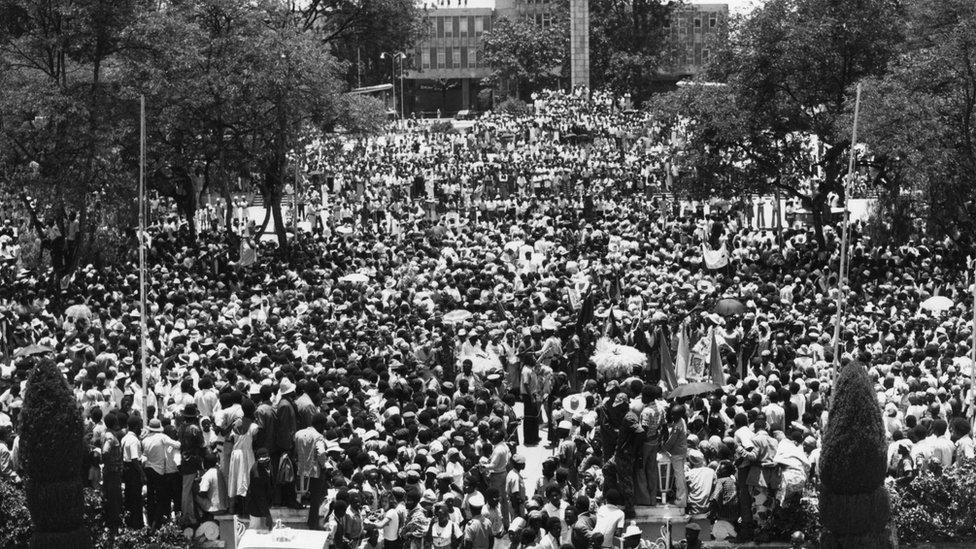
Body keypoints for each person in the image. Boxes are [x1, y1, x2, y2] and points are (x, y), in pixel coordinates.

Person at [142, 418, 181, 528]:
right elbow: (177, 445)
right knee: (160, 498)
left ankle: (150, 522)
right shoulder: (162, 437)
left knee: (150, 496)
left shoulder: (145, 439)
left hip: (148, 469)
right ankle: (156, 524)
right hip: (158, 471)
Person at [295, 412, 330, 529]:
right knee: (315, 499)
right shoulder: (318, 437)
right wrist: (324, 465)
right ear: (319, 425)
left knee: (300, 493)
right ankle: (312, 523)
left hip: (300, 470)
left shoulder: (298, 433)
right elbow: (321, 453)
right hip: (314, 472)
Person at [178, 403, 207, 521]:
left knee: (188, 489)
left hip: (184, 459)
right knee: (189, 489)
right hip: (194, 460)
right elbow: (202, 445)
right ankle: (187, 516)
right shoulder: (195, 428)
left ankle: (190, 516)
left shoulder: (181, 427)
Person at [121, 414, 145, 529]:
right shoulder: (134, 440)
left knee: (129, 498)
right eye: (140, 426)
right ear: (136, 427)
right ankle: (137, 525)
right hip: (134, 472)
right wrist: (142, 474)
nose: (141, 429)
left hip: (127, 470)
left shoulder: (125, 438)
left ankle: (129, 523)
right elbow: (135, 460)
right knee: (136, 499)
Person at [662, 404, 688, 511]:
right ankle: (683, 498)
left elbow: (671, 441)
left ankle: (681, 501)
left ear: (679, 415)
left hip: (677, 453)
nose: (672, 416)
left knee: (679, 477)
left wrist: (663, 448)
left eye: (674, 415)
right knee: (681, 475)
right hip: (682, 451)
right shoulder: (682, 421)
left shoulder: (677, 426)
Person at [246, 448, 274, 530]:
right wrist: (268, 515)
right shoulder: (257, 475)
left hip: (264, 507)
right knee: (255, 532)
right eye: (263, 460)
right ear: (258, 459)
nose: (266, 462)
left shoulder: (268, 465)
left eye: (267, 458)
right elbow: (260, 497)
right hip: (256, 509)